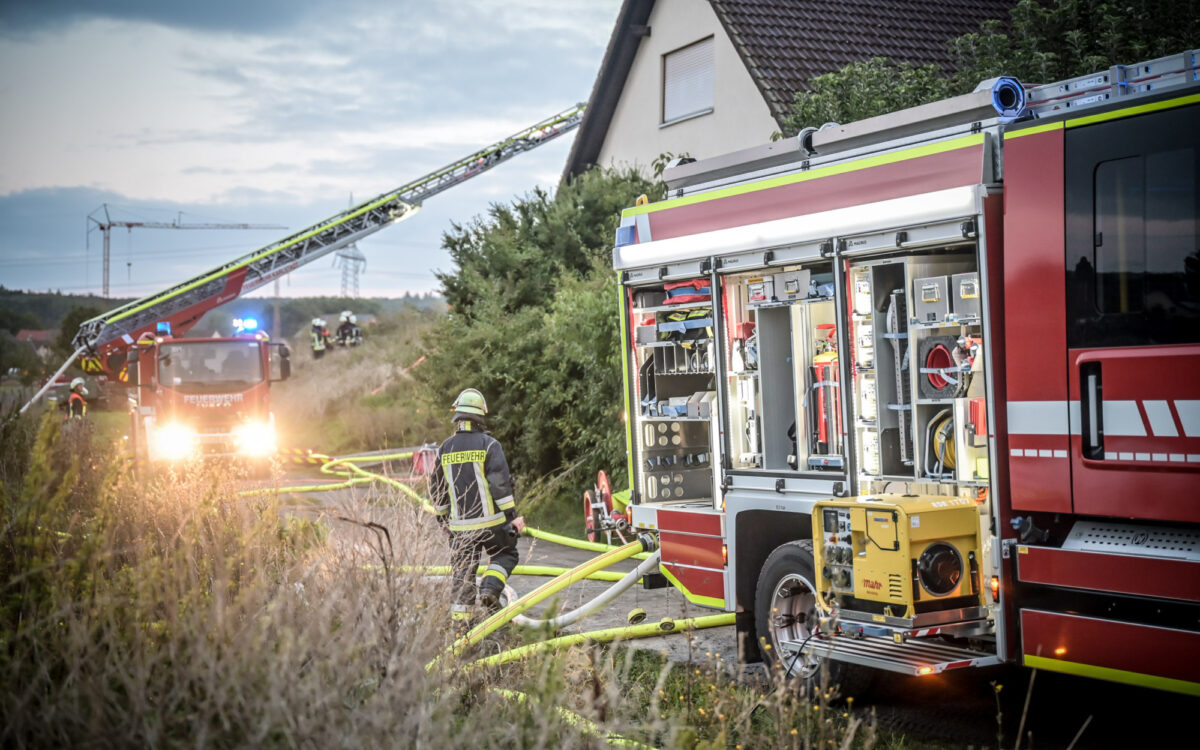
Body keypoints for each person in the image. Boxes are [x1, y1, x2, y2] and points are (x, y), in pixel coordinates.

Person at [428, 388, 524, 626]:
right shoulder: (490, 445)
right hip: (492, 525)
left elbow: (437, 489)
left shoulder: (444, 449)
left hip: (461, 529)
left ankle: (462, 631)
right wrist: (512, 517)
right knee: (506, 553)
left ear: (457, 418)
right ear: (480, 417)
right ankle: (490, 590)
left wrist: (443, 521)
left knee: (463, 576)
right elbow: (499, 485)